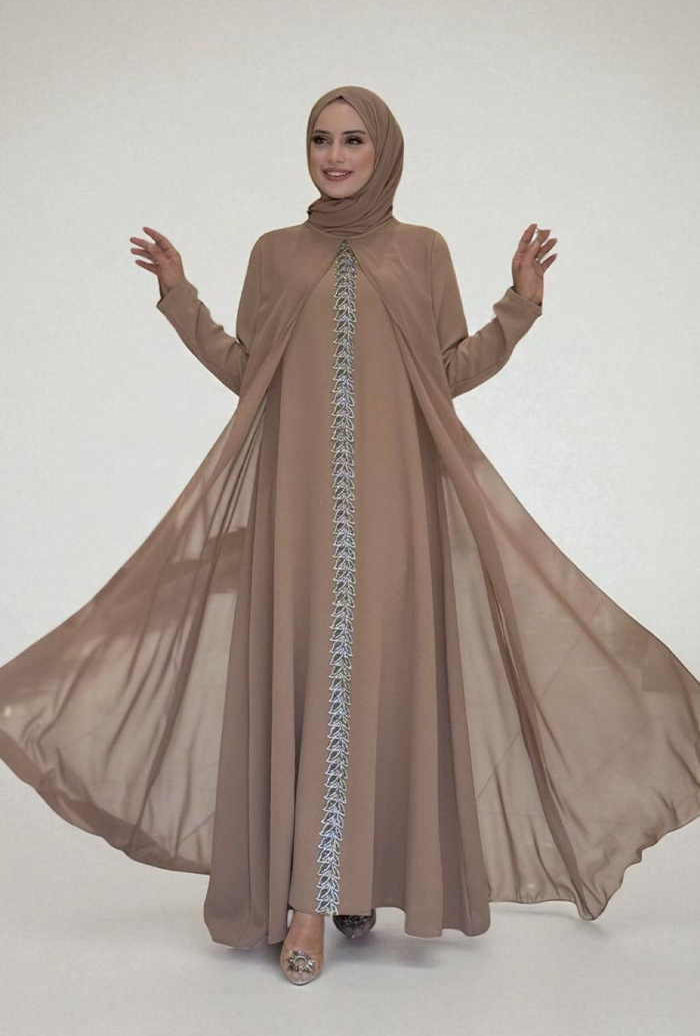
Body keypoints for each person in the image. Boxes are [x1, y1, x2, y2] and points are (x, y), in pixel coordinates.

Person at [1, 86, 699, 989]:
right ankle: (307, 904)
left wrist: (518, 308)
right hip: (295, 515)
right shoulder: (275, 252)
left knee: (377, 686)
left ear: (384, 151)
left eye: (353, 140)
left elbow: (447, 373)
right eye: (320, 140)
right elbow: (247, 370)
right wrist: (179, 295)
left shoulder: (422, 250)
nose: (334, 156)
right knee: (310, 685)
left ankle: (354, 877)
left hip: (395, 511)